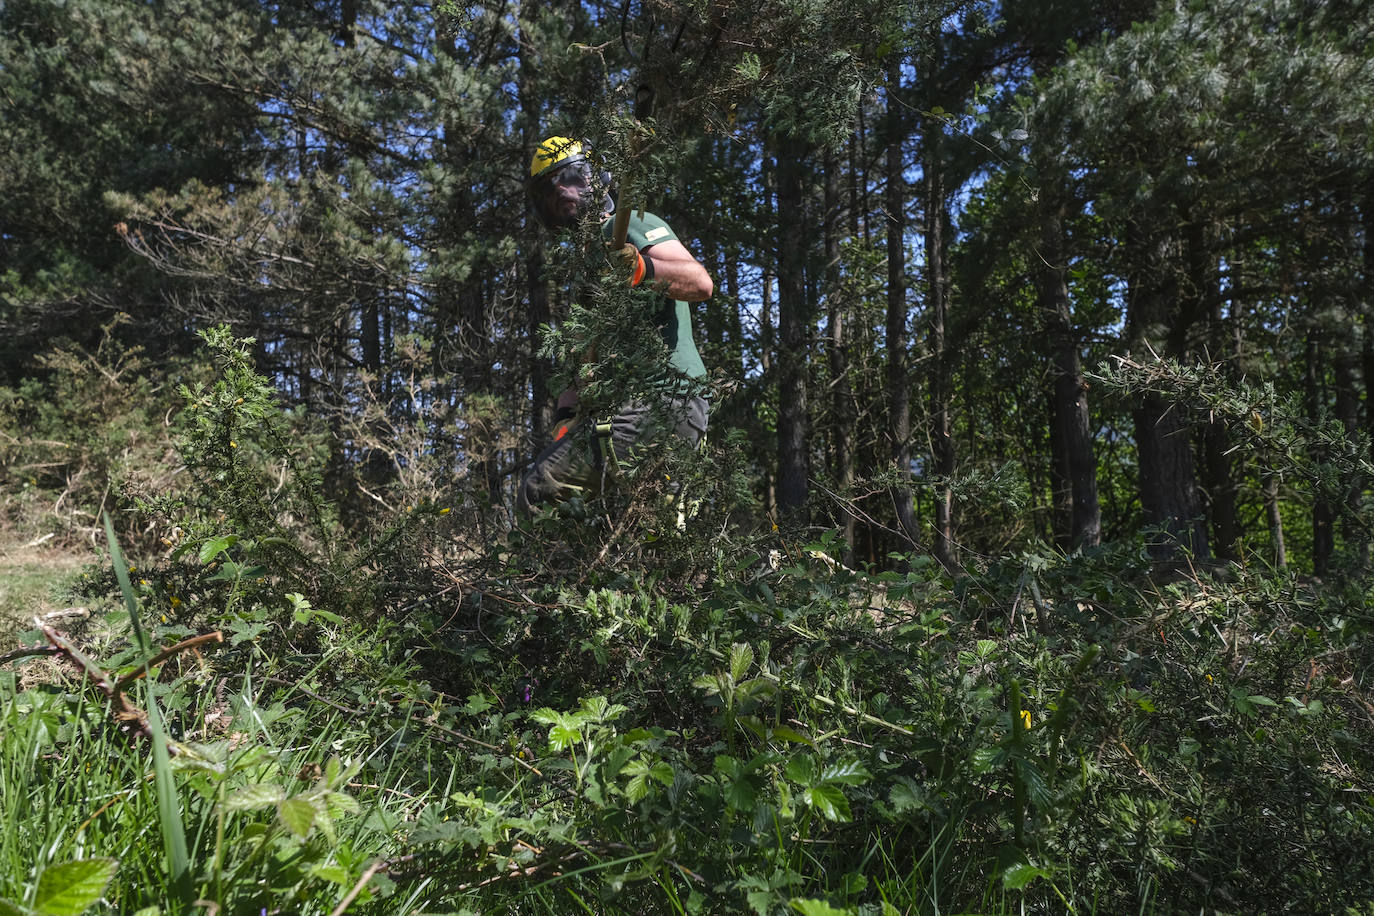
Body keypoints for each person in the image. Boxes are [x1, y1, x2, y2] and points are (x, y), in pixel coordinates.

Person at [517, 136, 714, 515]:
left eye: (570, 180)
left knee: (540, 491)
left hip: (663, 401)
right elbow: (579, 369)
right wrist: (565, 423)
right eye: (550, 192)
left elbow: (700, 283)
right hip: (634, 412)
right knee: (635, 536)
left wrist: (642, 268)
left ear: (594, 179)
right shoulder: (589, 274)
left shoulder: (625, 229)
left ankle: (546, 576)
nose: (563, 195)